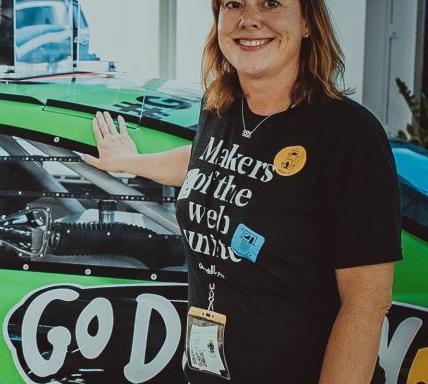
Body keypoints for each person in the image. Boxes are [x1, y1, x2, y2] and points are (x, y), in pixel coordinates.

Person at [81, 1, 400, 383]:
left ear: (307, 23)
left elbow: (366, 303)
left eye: (271, 3)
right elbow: (211, 163)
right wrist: (130, 162)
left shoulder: (347, 136)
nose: (249, 19)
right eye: (233, 4)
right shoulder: (222, 107)